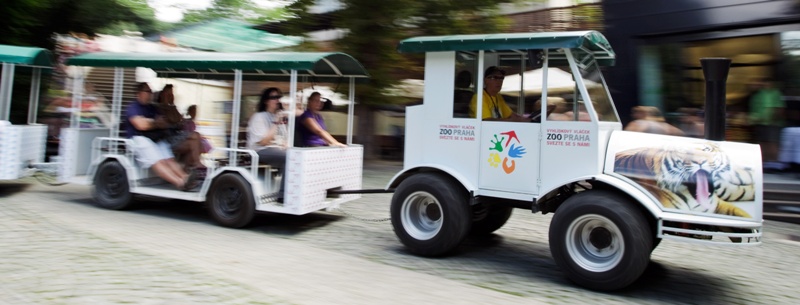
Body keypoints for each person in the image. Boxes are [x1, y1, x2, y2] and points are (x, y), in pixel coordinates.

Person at [125, 82, 197, 191]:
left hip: (155, 137)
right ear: (139, 93)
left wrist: (151, 122)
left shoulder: (152, 108)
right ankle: (180, 183)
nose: (150, 94)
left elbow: (164, 122)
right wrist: (154, 123)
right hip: (139, 138)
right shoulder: (133, 107)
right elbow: (141, 125)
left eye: (150, 91)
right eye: (147, 91)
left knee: (170, 160)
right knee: (159, 162)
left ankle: (185, 177)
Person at [247, 87, 288, 200]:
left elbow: (284, 137)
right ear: (266, 101)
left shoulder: (278, 116)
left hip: (275, 149)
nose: (277, 100)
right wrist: (276, 122)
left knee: (297, 154)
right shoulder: (258, 117)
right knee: (289, 157)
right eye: (274, 97)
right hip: (259, 151)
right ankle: (283, 195)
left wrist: (285, 144)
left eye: (278, 97)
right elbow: (264, 142)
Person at [155, 84, 204, 175]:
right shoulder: (160, 107)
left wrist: (172, 106)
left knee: (196, 142)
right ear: (163, 95)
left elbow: (178, 119)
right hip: (168, 139)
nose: (171, 96)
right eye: (168, 94)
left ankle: (186, 170)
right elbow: (174, 119)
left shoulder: (172, 107)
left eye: (172, 94)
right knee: (195, 135)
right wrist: (168, 105)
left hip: (177, 136)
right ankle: (197, 164)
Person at [748, 77, 785, 170]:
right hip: (760, 122)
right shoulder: (757, 95)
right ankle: (765, 163)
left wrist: (775, 119)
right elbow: (754, 109)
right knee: (762, 143)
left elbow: (779, 108)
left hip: (772, 123)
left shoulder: (775, 93)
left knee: (772, 143)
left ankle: (774, 163)